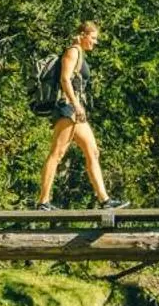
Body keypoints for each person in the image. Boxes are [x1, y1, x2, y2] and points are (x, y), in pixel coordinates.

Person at [36, 21, 128, 210]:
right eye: (93, 38)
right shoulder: (73, 51)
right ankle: (43, 201)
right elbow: (65, 79)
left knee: (92, 151)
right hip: (68, 109)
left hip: (75, 111)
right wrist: (77, 105)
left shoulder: (79, 53)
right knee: (57, 154)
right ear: (82, 35)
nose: (94, 42)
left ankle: (105, 200)